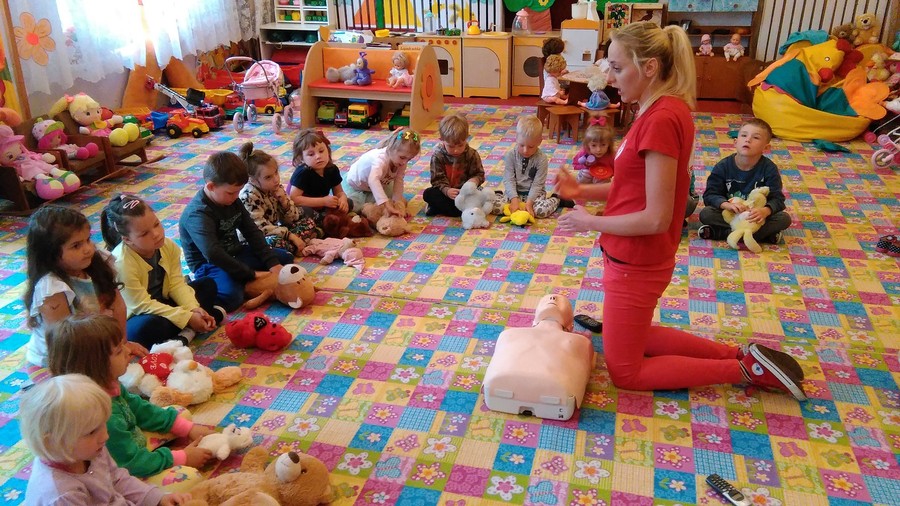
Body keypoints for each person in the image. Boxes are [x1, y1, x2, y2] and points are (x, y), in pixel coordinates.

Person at [555, 22, 806, 401]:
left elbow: (655, 216)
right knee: (632, 335)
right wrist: (582, 190)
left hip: (637, 260)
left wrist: (589, 221)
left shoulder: (661, 119)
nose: (609, 77)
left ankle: (744, 370)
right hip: (633, 255)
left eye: (617, 67)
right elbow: (637, 186)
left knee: (625, 372)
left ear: (650, 67)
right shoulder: (660, 109)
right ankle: (738, 355)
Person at [47, 314, 214, 488]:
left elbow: (139, 408)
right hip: (123, 471)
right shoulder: (102, 415)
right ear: (96, 365)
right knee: (189, 479)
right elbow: (131, 463)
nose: (128, 352)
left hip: (128, 445)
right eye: (119, 351)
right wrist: (181, 457)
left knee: (181, 415)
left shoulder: (108, 383)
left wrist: (188, 429)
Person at [21, 374, 191, 505]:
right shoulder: (62, 495)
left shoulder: (91, 450)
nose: (105, 436)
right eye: (91, 432)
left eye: (103, 424)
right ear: (53, 443)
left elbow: (117, 479)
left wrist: (157, 499)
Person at [23, 205, 147, 369]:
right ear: (50, 254)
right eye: (76, 246)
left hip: (94, 344)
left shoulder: (97, 263)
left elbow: (117, 305)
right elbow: (64, 340)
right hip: (59, 360)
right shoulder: (52, 289)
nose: (88, 249)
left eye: (88, 240)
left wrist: (122, 344)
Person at [101, 194, 225, 348]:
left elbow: (176, 284)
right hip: (141, 314)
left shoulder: (168, 246)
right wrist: (187, 317)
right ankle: (191, 328)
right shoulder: (121, 263)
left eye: (156, 224)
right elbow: (142, 305)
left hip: (165, 303)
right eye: (144, 233)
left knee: (207, 284)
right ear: (127, 239)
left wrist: (193, 308)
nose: (156, 234)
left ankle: (189, 327)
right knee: (142, 330)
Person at [179, 150, 291, 312]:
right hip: (209, 265)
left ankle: (241, 282)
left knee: (284, 259)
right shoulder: (197, 214)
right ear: (211, 186)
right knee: (232, 297)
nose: (236, 196)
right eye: (231, 192)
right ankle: (201, 286)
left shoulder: (232, 200)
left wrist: (272, 263)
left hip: (235, 254)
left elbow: (252, 232)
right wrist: (251, 274)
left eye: (238, 191)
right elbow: (213, 253)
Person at [698, 118, 791, 245]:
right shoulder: (723, 166)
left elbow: (778, 199)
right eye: (743, 135)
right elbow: (710, 195)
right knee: (706, 214)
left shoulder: (769, 169)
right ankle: (760, 236)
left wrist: (765, 211)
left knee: (784, 219)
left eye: (756, 137)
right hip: (731, 215)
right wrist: (726, 205)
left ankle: (721, 233)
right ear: (735, 142)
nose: (748, 140)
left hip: (755, 217)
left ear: (766, 147)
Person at [238, 141, 319, 256]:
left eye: (276, 173)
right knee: (274, 242)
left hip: (277, 231)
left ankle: (293, 248)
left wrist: (284, 203)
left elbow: (292, 219)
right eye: (268, 177)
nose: (276, 179)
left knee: (309, 221)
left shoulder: (275, 187)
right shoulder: (248, 196)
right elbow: (259, 228)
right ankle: (296, 245)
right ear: (252, 179)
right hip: (255, 239)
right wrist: (290, 236)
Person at [499, 116, 570, 219]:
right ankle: (499, 195)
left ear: (539, 141)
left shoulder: (541, 159)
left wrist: (529, 203)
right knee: (497, 208)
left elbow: (538, 184)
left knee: (541, 212)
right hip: (514, 193)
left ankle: (556, 200)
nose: (525, 150)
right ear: (516, 138)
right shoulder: (511, 155)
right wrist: (514, 199)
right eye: (521, 145)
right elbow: (509, 179)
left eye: (531, 146)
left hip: (535, 195)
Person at [342, 127, 421, 217]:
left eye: (409, 159)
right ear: (391, 148)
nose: (404, 162)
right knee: (353, 205)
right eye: (402, 158)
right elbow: (373, 180)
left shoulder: (401, 161)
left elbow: (399, 180)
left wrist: (397, 204)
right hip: (354, 186)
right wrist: (387, 205)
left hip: (376, 185)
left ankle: (373, 202)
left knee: (392, 196)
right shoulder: (380, 160)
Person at [422, 114, 485, 217]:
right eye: (451, 146)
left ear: (466, 138)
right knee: (428, 194)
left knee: (483, 195)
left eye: (460, 145)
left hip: (466, 194)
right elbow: (437, 180)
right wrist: (447, 191)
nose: (456, 150)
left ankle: (439, 208)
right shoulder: (438, 155)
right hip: (447, 194)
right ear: (442, 140)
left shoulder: (472, 154)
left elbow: (479, 174)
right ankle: (459, 210)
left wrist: (473, 181)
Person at [289, 129, 350, 227]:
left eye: (321, 151)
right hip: (305, 207)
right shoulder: (302, 173)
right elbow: (294, 199)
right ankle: (326, 223)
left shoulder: (332, 169)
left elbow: (339, 192)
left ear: (328, 151)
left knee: (349, 203)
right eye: (311, 154)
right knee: (304, 212)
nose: (318, 156)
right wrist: (323, 201)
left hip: (323, 206)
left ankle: (329, 220)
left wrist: (343, 199)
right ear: (301, 158)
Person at [574, 116, 615, 184]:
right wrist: (585, 165)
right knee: (585, 173)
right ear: (587, 144)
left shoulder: (611, 155)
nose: (598, 150)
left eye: (603, 145)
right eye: (593, 145)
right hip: (585, 180)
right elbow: (575, 164)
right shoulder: (584, 152)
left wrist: (607, 173)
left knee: (602, 179)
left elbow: (616, 170)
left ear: (609, 144)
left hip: (601, 181)